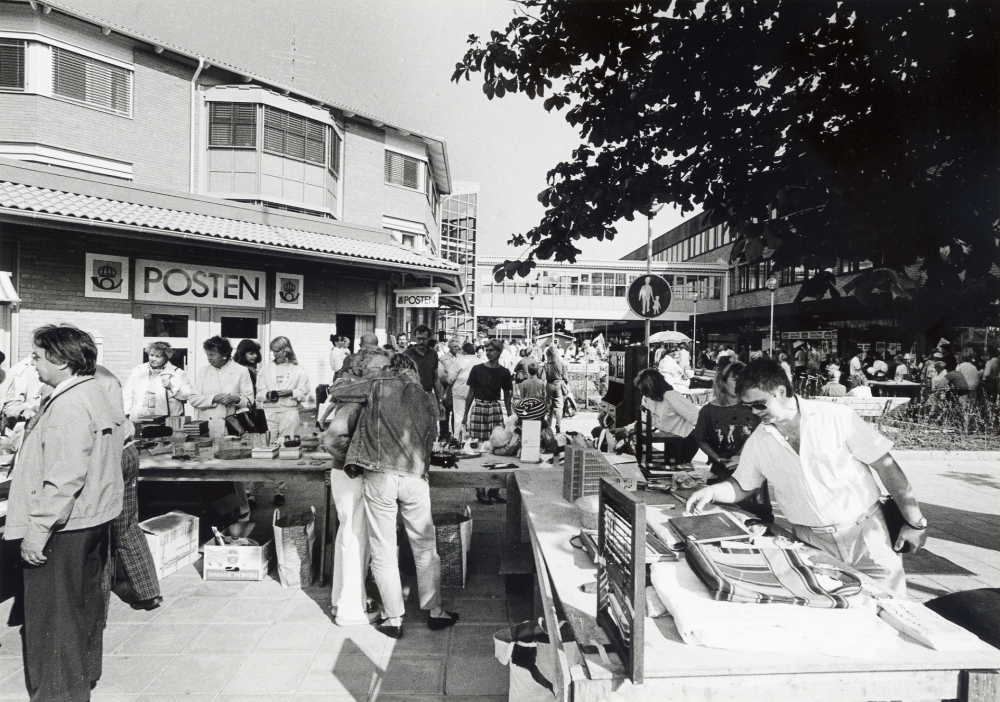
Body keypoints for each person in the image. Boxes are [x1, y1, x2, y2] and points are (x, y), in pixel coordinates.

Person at [686, 357, 928, 598]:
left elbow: (886, 467)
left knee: (893, 611)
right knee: (833, 615)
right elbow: (741, 485)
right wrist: (711, 492)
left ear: (780, 391)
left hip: (867, 536)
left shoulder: (836, 417)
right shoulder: (759, 441)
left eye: (759, 404)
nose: (754, 412)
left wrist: (914, 523)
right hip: (812, 543)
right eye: (747, 407)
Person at [5, 325, 125, 701]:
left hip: (65, 526)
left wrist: (37, 531)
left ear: (61, 359)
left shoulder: (68, 405)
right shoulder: (93, 391)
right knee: (82, 605)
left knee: (51, 618)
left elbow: (62, 478)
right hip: (92, 518)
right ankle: (82, 676)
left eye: (38, 356)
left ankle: (59, 693)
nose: (33, 362)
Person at [328, 353, 458, 639]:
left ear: (389, 370)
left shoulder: (376, 385)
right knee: (425, 546)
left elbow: (337, 391)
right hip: (415, 476)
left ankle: (393, 618)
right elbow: (431, 436)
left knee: (383, 548)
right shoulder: (425, 396)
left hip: (380, 475)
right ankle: (435, 611)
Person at [96, 365, 162, 613]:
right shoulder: (105, 374)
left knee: (97, 531)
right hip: (126, 449)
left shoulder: (81, 381)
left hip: (107, 454)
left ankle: (96, 606)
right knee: (125, 525)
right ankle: (148, 593)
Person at [188, 336, 254, 520]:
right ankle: (215, 514)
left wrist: (235, 399)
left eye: (212, 354)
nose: (209, 358)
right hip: (207, 428)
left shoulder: (241, 371)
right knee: (210, 471)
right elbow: (193, 399)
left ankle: (242, 510)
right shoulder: (203, 372)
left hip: (231, 427)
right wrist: (214, 398)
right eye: (207, 354)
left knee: (233, 472)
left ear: (225, 355)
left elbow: (250, 399)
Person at [693, 360, 760, 482]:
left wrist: (740, 455)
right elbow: (700, 439)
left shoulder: (754, 407)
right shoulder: (708, 411)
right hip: (721, 472)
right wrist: (718, 458)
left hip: (752, 472)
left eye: (743, 381)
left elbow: (760, 435)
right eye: (735, 380)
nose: (740, 385)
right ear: (723, 382)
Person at [618, 368, 700, 463]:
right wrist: (626, 429)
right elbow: (645, 420)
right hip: (670, 440)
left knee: (677, 468)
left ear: (653, 388)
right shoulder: (647, 397)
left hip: (686, 440)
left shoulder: (672, 396)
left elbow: (697, 418)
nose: (643, 394)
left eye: (645, 391)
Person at [257, 336, 311, 440]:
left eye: (277, 351)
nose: (274, 354)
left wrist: (291, 393)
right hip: (269, 412)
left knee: (287, 445)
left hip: (289, 412)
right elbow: (259, 392)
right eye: (273, 351)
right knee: (267, 444)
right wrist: (268, 395)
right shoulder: (266, 369)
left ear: (286, 350)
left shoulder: (298, 369)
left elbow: (305, 393)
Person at [122, 341, 191, 420]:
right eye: (151, 355)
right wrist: (126, 414)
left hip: (166, 422)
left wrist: (172, 387)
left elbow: (188, 394)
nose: (153, 359)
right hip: (138, 420)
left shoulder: (177, 373)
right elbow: (127, 394)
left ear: (166, 357)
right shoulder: (138, 371)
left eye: (158, 356)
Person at [462, 338, 513, 442]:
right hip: (479, 408)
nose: (488, 353)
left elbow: (507, 396)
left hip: (495, 408)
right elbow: (471, 393)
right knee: (476, 441)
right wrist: (465, 414)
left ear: (499, 352)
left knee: (496, 441)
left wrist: (509, 417)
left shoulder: (505, 372)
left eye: (492, 350)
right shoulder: (477, 369)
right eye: (487, 350)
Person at [446, 342, 480, 439]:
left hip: (460, 391)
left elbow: (450, 378)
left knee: (458, 416)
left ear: (463, 351)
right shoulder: (480, 362)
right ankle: (469, 439)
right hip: (475, 393)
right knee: (470, 416)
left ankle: (457, 438)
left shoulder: (459, 361)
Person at [404, 325, 442, 401]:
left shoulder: (433, 354)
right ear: (415, 338)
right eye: (419, 339)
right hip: (411, 396)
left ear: (428, 338)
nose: (421, 342)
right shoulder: (407, 354)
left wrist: (439, 401)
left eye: (424, 339)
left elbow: (436, 379)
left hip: (428, 395)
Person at [542, 344, 568, 432]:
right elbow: (566, 378)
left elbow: (543, 377)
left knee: (549, 407)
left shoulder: (546, 365)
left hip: (550, 384)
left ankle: (548, 426)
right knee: (559, 407)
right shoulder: (562, 364)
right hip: (559, 385)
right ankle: (558, 424)